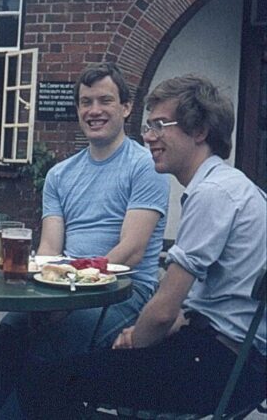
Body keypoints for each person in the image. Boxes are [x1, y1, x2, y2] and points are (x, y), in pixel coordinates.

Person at [15, 75, 266, 418]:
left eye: (160, 125)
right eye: (149, 126)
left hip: (223, 366)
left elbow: (163, 310)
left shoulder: (213, 194)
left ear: (199, 131)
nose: (148, 136)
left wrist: (135, 339)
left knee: (46, 382)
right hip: (233, 356)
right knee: (71, 371)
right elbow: (197, 304)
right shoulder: (230, 185)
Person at [0, 62, 170, 418]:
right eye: (86, 102)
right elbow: (50, 249)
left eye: (105, 100)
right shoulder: (60, 174)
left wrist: (68, 299)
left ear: (127, 107)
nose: (94, 110)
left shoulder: (145, 165)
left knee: (44, 358)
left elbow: (130, 252)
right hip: (64, 290)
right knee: (1, 349)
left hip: (123, 294)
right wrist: (43, 298)